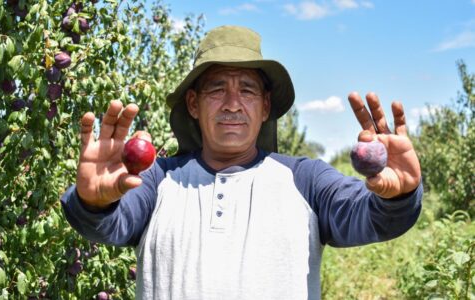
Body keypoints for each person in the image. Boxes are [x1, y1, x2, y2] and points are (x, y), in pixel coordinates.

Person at [61, 25, 422, 300]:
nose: (232, 103)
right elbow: (111, 225)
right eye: (217, 89)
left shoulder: (305, 180)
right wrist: (93, 203)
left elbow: (368, 218)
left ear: (265, 107)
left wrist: (398, 198)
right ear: (193, 104)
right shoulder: (157, 180)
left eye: (247, 90)